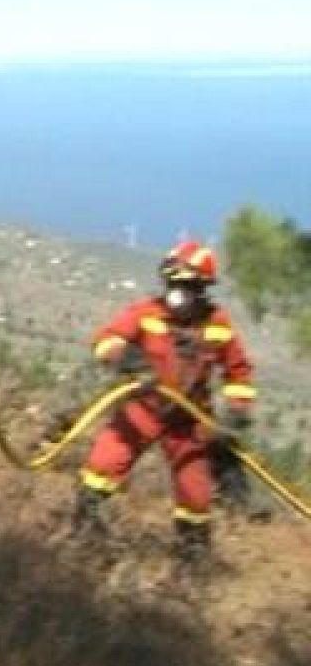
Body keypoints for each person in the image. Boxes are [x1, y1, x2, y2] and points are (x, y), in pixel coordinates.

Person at [73, 240, 258, 562]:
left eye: (185, 285)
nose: (177, 292)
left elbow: (238, 371)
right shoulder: (146, 313)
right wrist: (129, 357)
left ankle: (193, 557)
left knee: (195, 493)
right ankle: (84, 529)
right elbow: (106, 340)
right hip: (143, 408)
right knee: (103, 463)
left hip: (189, 421)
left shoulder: (217, 325)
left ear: (202, 288)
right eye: (173, 283)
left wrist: (236, 414)